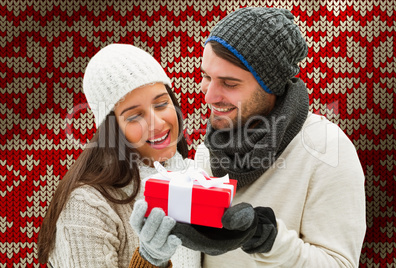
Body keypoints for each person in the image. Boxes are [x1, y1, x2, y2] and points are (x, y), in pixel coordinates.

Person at [172, 7, 366, 268]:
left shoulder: (327, 149)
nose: (209, 96)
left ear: (270, 86)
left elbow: (340, 264)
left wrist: (268, 239)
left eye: (229, 83)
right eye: (206, 77)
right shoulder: (210, 151)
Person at [36, 44, 201, 267]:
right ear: (112, 130)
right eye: (134, 116)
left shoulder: (193, 176)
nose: (157, 123)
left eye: (162, 104)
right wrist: (149, 261)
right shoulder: (87, 206)